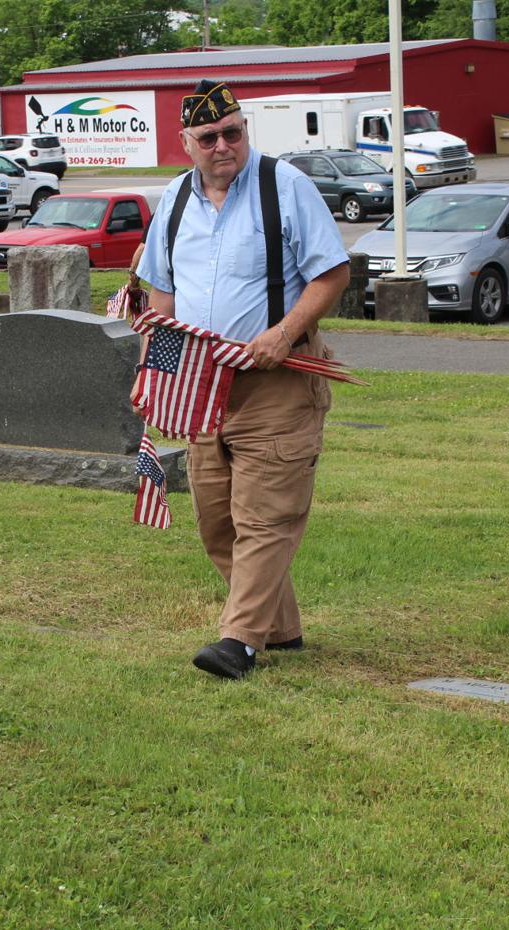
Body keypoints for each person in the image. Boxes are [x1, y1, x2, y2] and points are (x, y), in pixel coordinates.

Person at [135, 79, 350, 680]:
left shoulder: (286, 188)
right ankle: (278, 630)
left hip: (278, 382)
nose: (224, 145)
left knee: (265, 516)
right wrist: (164, 363)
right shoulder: (175, 200)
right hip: (203, 387)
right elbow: (161, 288)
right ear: (187, 143)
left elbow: (332, 273)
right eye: (210, 137)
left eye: (234, 132)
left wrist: (283, 335)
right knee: (218, 522)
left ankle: (239, 642)